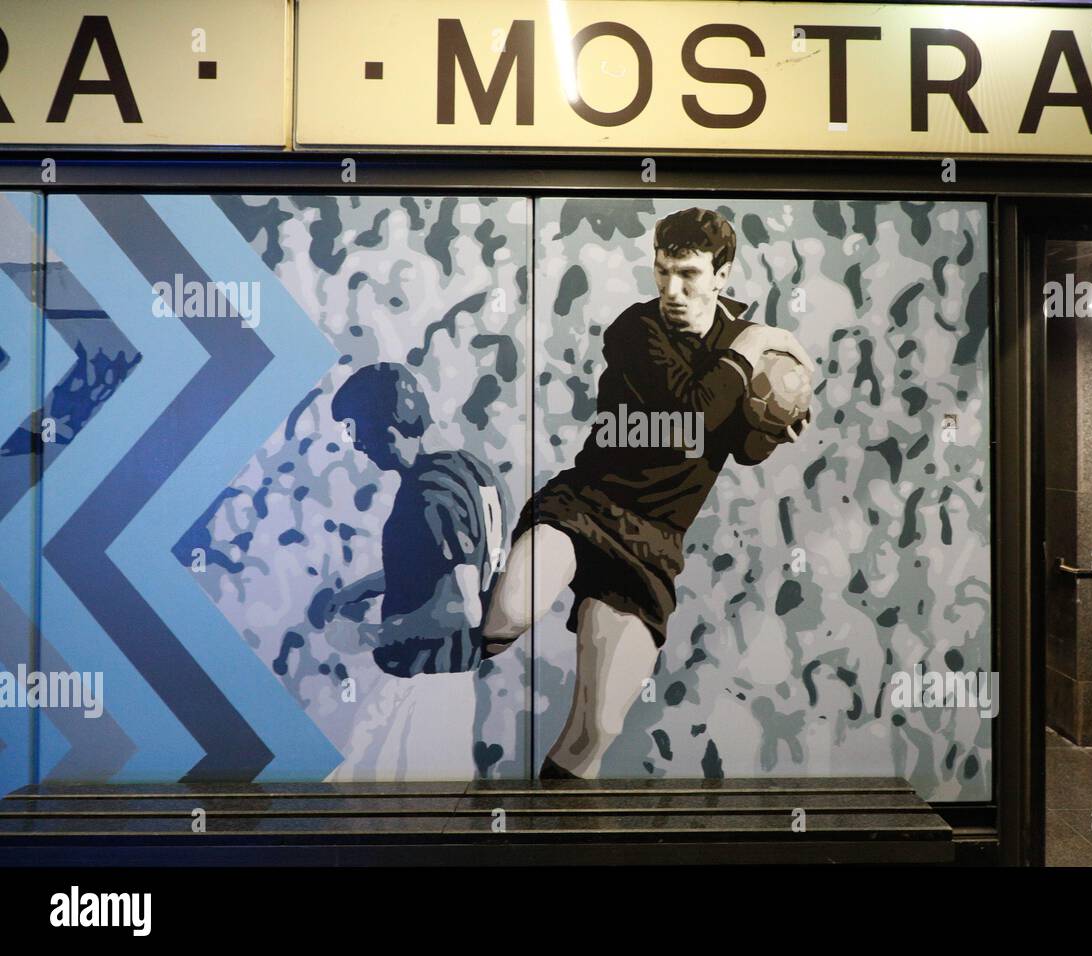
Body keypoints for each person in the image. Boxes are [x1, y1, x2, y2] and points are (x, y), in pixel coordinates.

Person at [481, 207, 812, 779]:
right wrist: (753, 346)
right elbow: (693, 415)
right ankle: (471, 597)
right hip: (585, 508)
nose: (672, 290)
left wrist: (775, 428)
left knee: (596, 730)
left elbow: (739, 446)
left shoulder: (745, 350)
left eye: (687, 274)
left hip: (654, 543)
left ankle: (553, 845)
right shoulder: (636, 330)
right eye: (662, 272)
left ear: (721, 275)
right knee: (507, 617)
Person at [327, 362, 507, 677]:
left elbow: (461, 610)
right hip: (461, 669)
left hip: (429, 674)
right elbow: (437, 566)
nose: (356, 443)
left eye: (355, 427)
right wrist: (354, 592)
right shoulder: (472, 470)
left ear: (384, 422)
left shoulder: (428, 494)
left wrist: (365, 636)